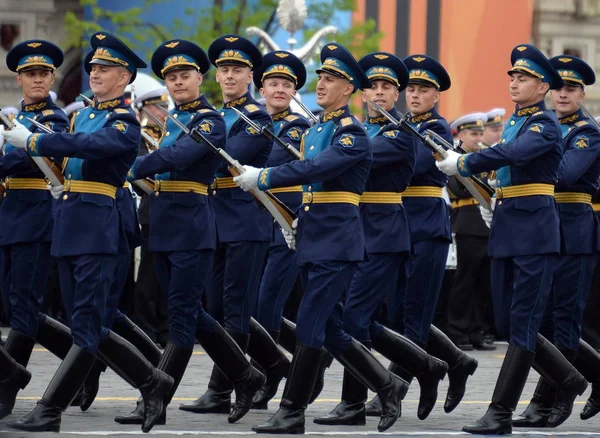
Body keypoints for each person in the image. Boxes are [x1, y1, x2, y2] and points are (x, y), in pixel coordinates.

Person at [2, 32, 172, 434]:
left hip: (99, 229)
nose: (95, 73)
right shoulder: (83, 114)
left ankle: (49, 410)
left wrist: (34, 141)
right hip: (71, 225)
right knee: (87, 325)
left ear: (125, 76)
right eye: (93, 67)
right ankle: (153, 381)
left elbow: (89, 147)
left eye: (105, 68)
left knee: (89, 324)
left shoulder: (124, 120)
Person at [235, 42, 408, 435]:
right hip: (313, 237)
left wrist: (263, 176)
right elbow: (306, 176)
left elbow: (317, 167)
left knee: (311, 322)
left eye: (330, 80)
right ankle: (386, 384)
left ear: (348, 88)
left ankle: (292, 410)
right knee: (329, 329)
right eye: (321, 79)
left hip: (338, 241)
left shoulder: (352, 135)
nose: (322, 85)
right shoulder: (316, 130)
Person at [436, 43, 588, 435]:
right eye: (514, 77)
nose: (516, 82)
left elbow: (516, 152)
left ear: (543, 87)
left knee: (523, 324)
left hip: (536, 233)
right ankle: (568, 378)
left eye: (525, 78)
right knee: (505, 323)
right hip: (506, 231)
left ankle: (499, 412)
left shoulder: (544, 124)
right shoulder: (517, 122)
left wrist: (466, 161)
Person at [115, 38, 264, 426]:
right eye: (172, 77)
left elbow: (177, 158)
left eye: (185, 75)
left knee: (182, 315)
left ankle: (155, 396)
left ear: (200, 78)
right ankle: (247, 376)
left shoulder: (209, 121)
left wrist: (131, 167)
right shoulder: (172, 123)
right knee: (189, 313)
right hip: (164, 224)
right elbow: (164, 161)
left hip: (192, 226)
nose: (178, 83)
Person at [313, 51, 448, 427]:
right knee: (356, 319)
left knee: (356, 318)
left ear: (396, 95)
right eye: (371, 85)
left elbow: (353, 157)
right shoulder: (357, 129)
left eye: (387, 87)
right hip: (355, 232)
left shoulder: (400, 133)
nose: (378, 92)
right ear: (360, 92)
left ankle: (355, 401)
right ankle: (427, 364)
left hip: (385, 232)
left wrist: (329, 147)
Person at [366, 54, 478, 419]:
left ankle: (394, 388)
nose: (415, 95)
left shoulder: (437, 129)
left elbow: (412, 166)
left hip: (427, 226)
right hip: (400, 227)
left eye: (423, 90)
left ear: (436, 96)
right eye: (411, 89)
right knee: (397, 314)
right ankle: (457, 361)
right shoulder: (397, 126)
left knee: (414, 314)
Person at [179, 34, 273, 416]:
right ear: (216, 77)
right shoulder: (218, 117)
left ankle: (222, 389)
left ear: (250, 76)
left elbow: (228, 158)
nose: (230, 76)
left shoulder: (257, 117)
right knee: (217, 307)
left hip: (245, 221)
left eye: (237, 70)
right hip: (215, 219)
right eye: (224, 70)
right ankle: (272, 366)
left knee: (234, 309)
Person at [512, 54, 600, 428]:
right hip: (541, 227)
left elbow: (564, 175)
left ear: (582, 95)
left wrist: (529, 157)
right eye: (559, 87)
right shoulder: (539, 125)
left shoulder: (587, 132)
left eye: (572, 89)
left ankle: (546, 398)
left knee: (563, 319)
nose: (563, 95)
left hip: (573, 230)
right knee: (542, 318)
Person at [0, 39, 69, 420]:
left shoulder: (54, 119)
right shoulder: (16, 118)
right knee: (13, 305)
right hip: (11, 215)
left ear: (52, 77)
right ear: (19, 79)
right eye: (30, 74)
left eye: (43, 73)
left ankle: (8, 381)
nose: (37, 79)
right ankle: (83, 358)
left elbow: (28, 157)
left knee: (25, 305)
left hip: (38, 216)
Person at [248, 50, 310, 410]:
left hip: (284, 223)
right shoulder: (256, 124)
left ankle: (268, 373)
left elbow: (281, 170)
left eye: (287, 84)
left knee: (268, 303)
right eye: (273, 83)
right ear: (262, 88)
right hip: (257, 223)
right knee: (258, 305)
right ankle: (297, 360)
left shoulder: (296, 128)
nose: (280, 89)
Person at [446, 112, 496, 352]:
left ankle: (477, 330)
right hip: (467, 223)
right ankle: (457, 330)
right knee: (464, 281)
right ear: (462, 135)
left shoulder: (485, 157)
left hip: (487, 224)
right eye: (473, 134)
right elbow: (459, 189)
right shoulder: (453, 158)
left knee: (482, 283)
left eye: (480, 134)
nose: (478, 138)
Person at [130, 87, 169, 347]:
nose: (163, 113)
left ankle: (165, 328)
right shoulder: (141, 138)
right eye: (157, 108)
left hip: (175, 212)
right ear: (144, 110)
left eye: (165, 108)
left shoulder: (170, 135)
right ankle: (146, 328)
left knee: (168, 276)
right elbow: (136, 173)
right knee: (148, 276)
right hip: (152, 211)